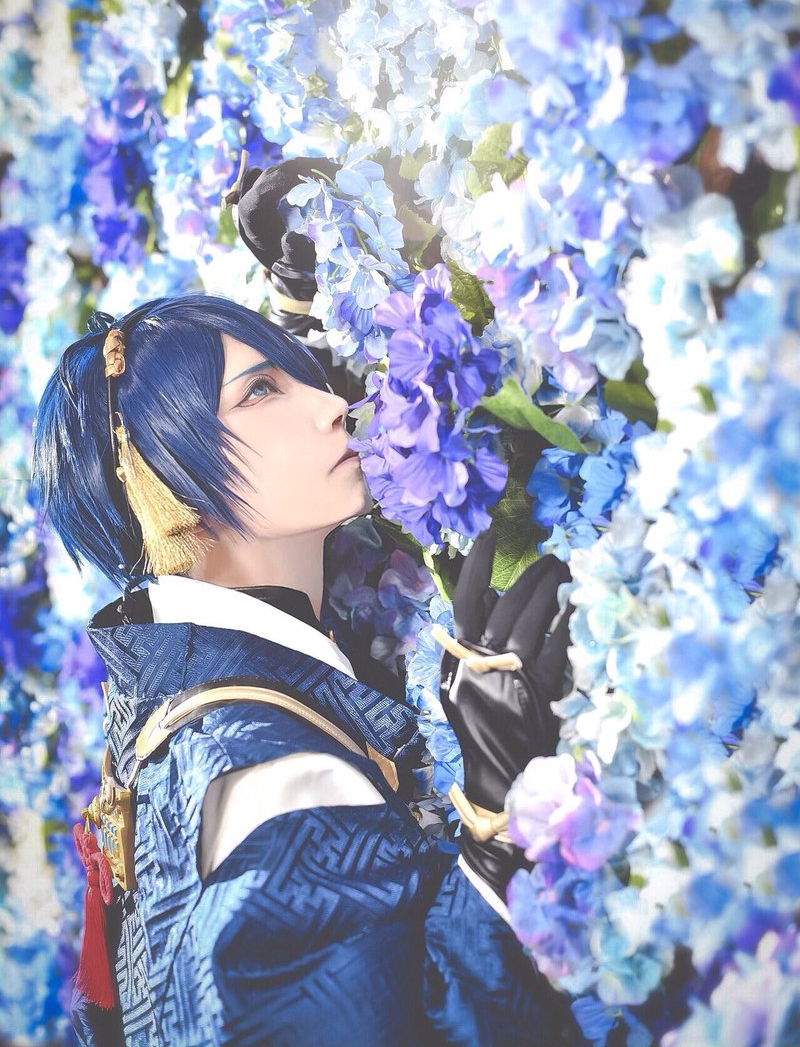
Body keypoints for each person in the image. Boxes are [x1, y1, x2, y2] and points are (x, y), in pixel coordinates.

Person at [32, 300, 584, 1043]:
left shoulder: (171, 701)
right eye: (261, 391)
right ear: (161, 477)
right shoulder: (267, 771)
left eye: (300, 379)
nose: (333, 405)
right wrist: (496, 827)